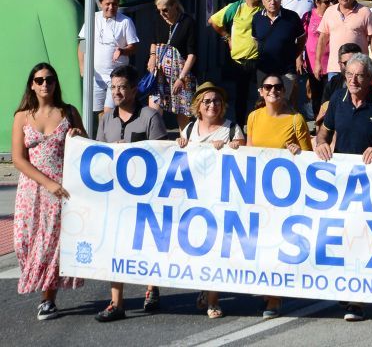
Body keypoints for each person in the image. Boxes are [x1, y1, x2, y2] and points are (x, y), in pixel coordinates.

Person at [313, 53, 372, 322]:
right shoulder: (337, 101)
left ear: (371, 78)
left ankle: (358, 300)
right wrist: (320, 143)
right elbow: (324, 131)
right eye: (349, 74)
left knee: (364, 239)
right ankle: (346, 286)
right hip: (341, 183)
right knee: (343, 237)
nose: (353, 79)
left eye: (360, 75)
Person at [91, 65, 167, 321]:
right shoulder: (106, 118)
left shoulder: (150, 116)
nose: (117, 92)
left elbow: (161, 155)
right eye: (113, 87)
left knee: (145, 243)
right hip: (115, 195)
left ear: (135, 89)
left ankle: (151, 288)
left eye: (122, 87)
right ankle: (117, 303)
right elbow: (99, 157)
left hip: (144, 195)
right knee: (115, 246)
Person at [12, 63, 85, 321]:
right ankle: (39, 283)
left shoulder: (69, 113)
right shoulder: (22, 116)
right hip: (31, 189)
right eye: (40, 80)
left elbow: (87, 149)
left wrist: (78, 135)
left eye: (50, 80)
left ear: (56, 83)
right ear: (32, 84)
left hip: (61, 189)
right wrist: (46, 183)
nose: (45, 84)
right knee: (23, 242)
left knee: (51, 245)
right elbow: (19, 159)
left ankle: (48, 299)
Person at [243, 71, 311, 318]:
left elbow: (308, 158)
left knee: (275, 244)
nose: (273, 91)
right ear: (261, 92)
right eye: (268, 87)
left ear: (284, 91)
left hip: (283, 195)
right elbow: (249, 151)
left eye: (278, 87)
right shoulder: (253, 117)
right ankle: (265, 289)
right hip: (257, 191)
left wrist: (296, 151)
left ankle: (274, 298)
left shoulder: (296, 120)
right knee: (258, 244)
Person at [176, 82, 244, 318]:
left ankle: (213, 301)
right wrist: (180, 145)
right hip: (195, 201)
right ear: (198, 106)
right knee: (198, 249)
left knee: (217, 250)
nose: (212, 105)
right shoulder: (189, 130)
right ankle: (205, 288)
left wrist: (232, 147)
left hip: (222, 201)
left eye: (216, 101)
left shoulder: (232, 129)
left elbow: (245, 159)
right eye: (207, 101)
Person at [208, 0, 264, 124]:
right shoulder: (237, 7)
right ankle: (240, 127)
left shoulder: (264, 8)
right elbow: (213, 21)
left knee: (262, 96)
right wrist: (227, 37)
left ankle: (259, 126)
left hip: (260, 60)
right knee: (241, 97)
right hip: (240, 61)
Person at [78, 0, 139, 115]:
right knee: (98, 112)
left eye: (115, 4)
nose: (111, 7)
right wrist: (82, 69)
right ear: (101, 4)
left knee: (109, 112)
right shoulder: (92, 18)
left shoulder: (125, 22)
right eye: (108, 4)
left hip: (116, 77)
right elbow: (83, 43)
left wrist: (122, 51)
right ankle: (102, 135)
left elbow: (133, 47)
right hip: (95, 76)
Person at [147, 0, 196, 130]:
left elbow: (192, 54)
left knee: (182, 112)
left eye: (165, 10)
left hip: (180, 74)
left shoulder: (187, 22)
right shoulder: (158, 19)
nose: (162, 13)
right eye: (159, 10)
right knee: (154, 112)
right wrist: (152, 57)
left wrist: (181, 78)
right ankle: (155, 140)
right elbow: (154, 41)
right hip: (160, 73)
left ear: (174, 6)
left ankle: (184, 139)